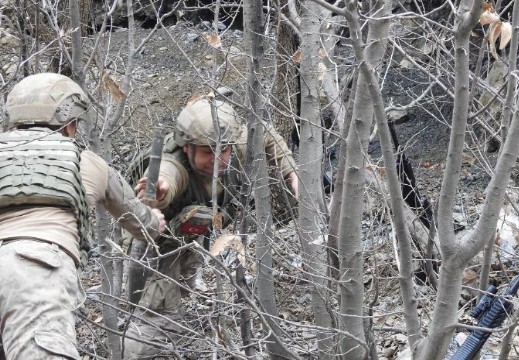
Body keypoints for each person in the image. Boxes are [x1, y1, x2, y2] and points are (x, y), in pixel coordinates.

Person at [0, 73, 166, 360]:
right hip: (35, 269)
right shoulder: (85, 160)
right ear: (70, 123)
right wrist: (155, 219)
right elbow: (140, 223)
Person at [123, 95, 298, 358]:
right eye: (208, 152)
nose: (219, 158)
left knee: (181, 290)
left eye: (223, 149)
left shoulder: (232, 144)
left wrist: (292, 172)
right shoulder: (174, 163)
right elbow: (167, 178)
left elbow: (266, 134)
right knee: (155, 314)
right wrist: (160, 189)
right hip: (157, 243)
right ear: (187, 148)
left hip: (193, 234)